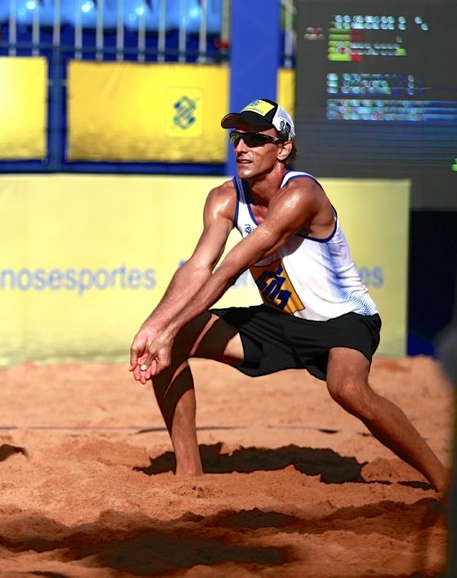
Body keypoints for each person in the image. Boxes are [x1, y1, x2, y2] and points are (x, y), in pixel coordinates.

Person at [129, 98, 448, 493]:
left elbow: (230, 269)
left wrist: (167, 327)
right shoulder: (224, 198)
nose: (241, 147)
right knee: (173, 342)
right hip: (280, 321)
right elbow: (198, 266)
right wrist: (155, 327)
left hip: (344, 320)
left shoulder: (301, 194)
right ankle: (189, 476)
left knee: (347, 389)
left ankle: (441, 479)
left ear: (282, 148)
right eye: (236, 137)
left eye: (253, 138)